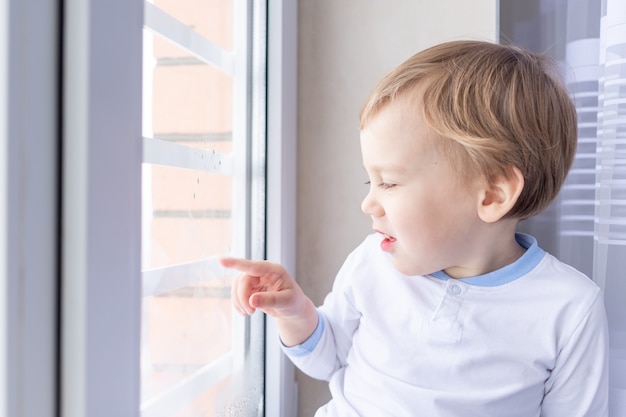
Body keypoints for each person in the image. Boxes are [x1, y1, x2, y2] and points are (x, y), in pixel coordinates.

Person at [220, 40, 609, 416]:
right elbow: (327, 361)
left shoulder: (568, 308)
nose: (368, 203)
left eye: (388, 182)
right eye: (368, 182)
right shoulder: (373, 261)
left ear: (491, 195)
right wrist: (295, 312)